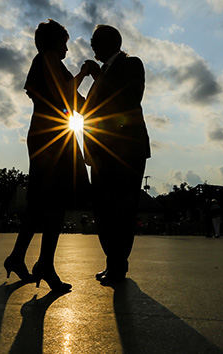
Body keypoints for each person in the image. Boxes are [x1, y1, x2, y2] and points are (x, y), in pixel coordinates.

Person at [3, 19, 91, 293]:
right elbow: (64, 94)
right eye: (65, 42)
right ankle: (45, 264)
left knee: (41, 203)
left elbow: (79, 104)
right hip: (50, 138)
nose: (67, 48)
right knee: (54, 202)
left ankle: (18, 257)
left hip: (54, 135)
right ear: (55, 42)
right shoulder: (44, 61)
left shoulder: (55, 65)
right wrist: (85, 73)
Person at [81, 25, 150, 285]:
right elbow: (87, 113)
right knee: (102, 210)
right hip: (100, 152)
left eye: (95, 43)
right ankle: (112, 261)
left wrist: (98, 76)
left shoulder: (131, 64)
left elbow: (129, 99)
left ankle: (118, 266)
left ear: (109, 43)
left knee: (122, 209)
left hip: (126, 150)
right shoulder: (102, 76)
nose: (92, 48)